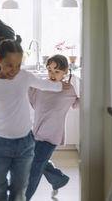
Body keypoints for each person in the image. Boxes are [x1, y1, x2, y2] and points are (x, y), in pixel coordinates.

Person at [0, 38, 71, 201]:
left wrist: (62, 85)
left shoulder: (25, 76)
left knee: (19, 192)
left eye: (18, 64)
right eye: (9, 64)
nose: (14, 70)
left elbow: (48, 85)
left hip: (24, 144)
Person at [25, 55, 79, 200]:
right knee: (35, 161)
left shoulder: (68, 89)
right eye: (49, 70)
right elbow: (30, 96)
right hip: (36, 132)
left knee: (34, 168)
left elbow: (78, 104)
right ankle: (58, 179)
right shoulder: (41, 86)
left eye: (56, 71)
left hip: (51, 136)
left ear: (65, 71)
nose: (52, 74)